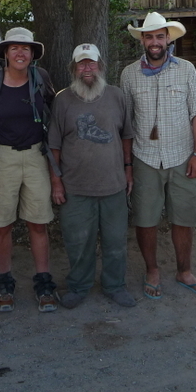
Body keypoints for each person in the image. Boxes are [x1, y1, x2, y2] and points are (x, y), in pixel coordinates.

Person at [120, 12, 196, 300]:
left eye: (160, 36)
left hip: (182, 155)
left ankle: (184, 271)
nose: (155, 41)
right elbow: (126, 123)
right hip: (145, 157)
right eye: (149, 36)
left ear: (168, 38)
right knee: (145, 219)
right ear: (143, 41)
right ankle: (152, 271)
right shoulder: (129, 74)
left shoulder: (186, 70)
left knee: (183, 217)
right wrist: (127, 166)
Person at [0, 27, 58, 313]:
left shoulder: (40, 77)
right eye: (14, 48)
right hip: (0, 158)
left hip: (36, 156)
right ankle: (5, 280)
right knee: (1, 224)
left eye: (25, 48)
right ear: (6, 53)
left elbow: (53, 110)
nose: (20, 53)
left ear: (32, 54)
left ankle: (43, 280)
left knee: (38, 221)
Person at [48, 44, 136, 309]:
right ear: (74, 69)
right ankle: (78, 286)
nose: (87, 69)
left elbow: (127, 136)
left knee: (115, 241)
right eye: (81, 64)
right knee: (78, 242)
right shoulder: (63, 99)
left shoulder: (117, 96)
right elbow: (54, 145)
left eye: (91, 63)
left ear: (100, 65)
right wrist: (56, 181)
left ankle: (114, 286)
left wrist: (128, 170)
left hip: (113, 185)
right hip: (75, 187)